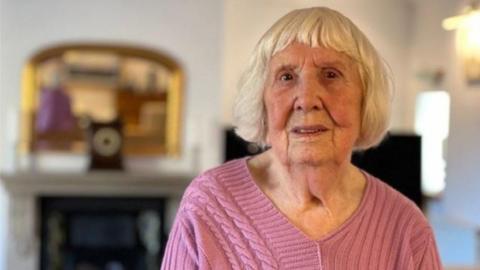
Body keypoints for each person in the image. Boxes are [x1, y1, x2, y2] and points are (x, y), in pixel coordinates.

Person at [161, 7, 443, 270]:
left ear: (365, 100)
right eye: (286, 77)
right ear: (261, 101)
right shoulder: (208, 205)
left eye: (331, 75)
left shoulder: (406, 228)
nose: (307, 100)